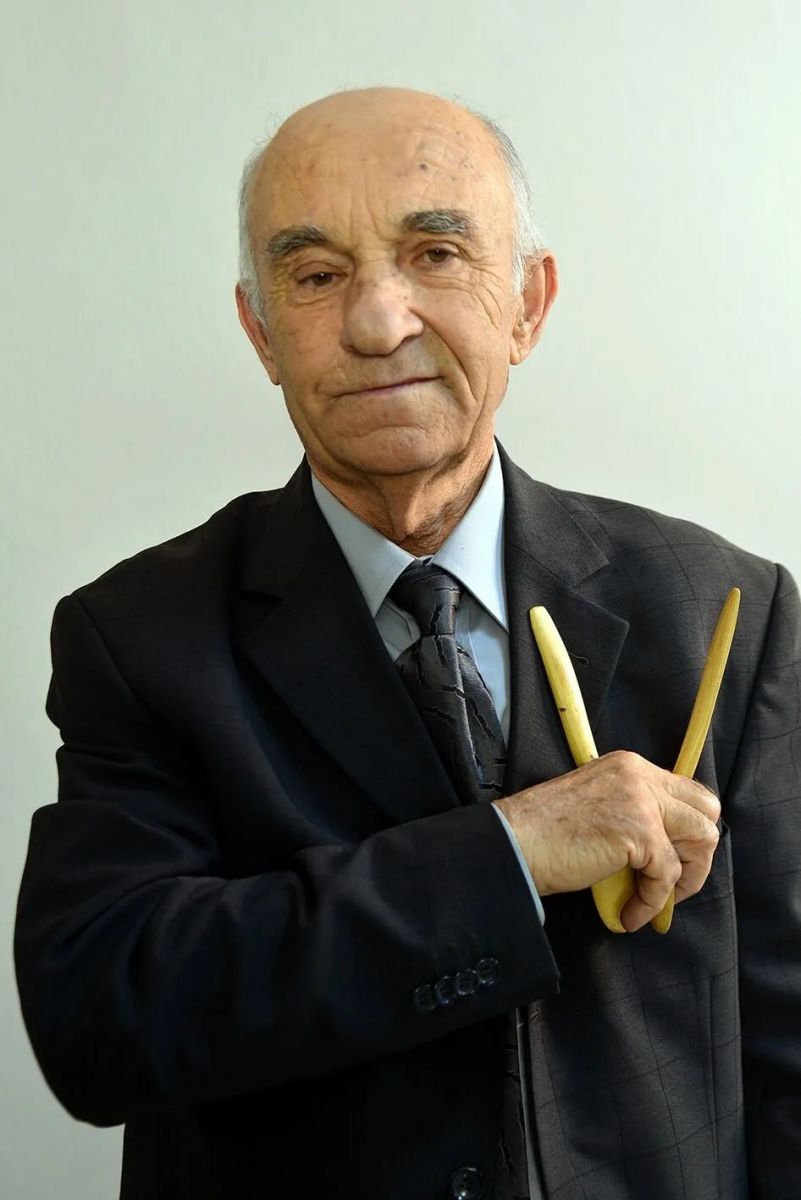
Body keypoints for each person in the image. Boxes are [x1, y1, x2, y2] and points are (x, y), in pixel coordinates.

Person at [14, 86, 800, 1200]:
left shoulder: (725, 606)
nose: (378, 323)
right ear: (260, 331)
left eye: (435, 254)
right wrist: (512, 854)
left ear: (527, 303)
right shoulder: (140, 635)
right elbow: (104, 1016)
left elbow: (786, 1043)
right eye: (315, 275)